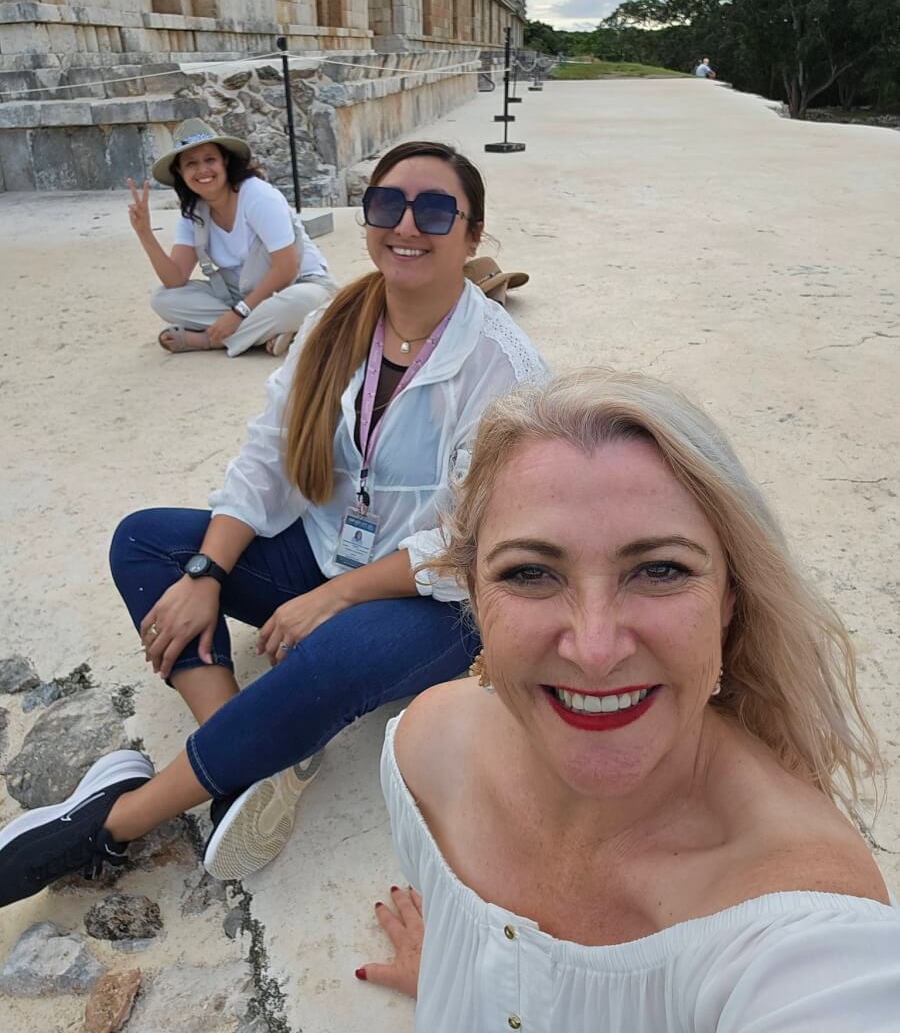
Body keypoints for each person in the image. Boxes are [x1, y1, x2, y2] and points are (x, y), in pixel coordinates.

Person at [0, 141, 546, 908]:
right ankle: (245, 750)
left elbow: (475, 548)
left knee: (330, 656)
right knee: (143, 541)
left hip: (431, 598)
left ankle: (113, 823)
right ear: (367, 219)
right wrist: (206, 573)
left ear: (473, 232)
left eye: (434, 210)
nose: (406, 226)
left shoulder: (506, 368)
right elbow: (265, 456)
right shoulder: (334, 323)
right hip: (321, 546)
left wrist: (334, 597)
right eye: (387, 205)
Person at [358, 370, 900, 1028]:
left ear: (730, 601)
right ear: (474, 594)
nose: (595, 650)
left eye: (661, 570)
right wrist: (456, 967)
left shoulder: (804, 927)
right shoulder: (423, 756)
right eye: (530, 572)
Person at [127, 117, 338, 357]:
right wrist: (145, 233)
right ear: (180, 172)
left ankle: (211, 340)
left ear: (225, 161)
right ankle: (267, 331)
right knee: (163, 298)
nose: (203, 170)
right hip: (239, 293)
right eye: (191, 164)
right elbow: (175, 279)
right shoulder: (194, 212)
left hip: (298, 284)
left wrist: (239, 313)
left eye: (210, 160)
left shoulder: (257, 196)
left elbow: (287, 268)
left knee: (302, 302)